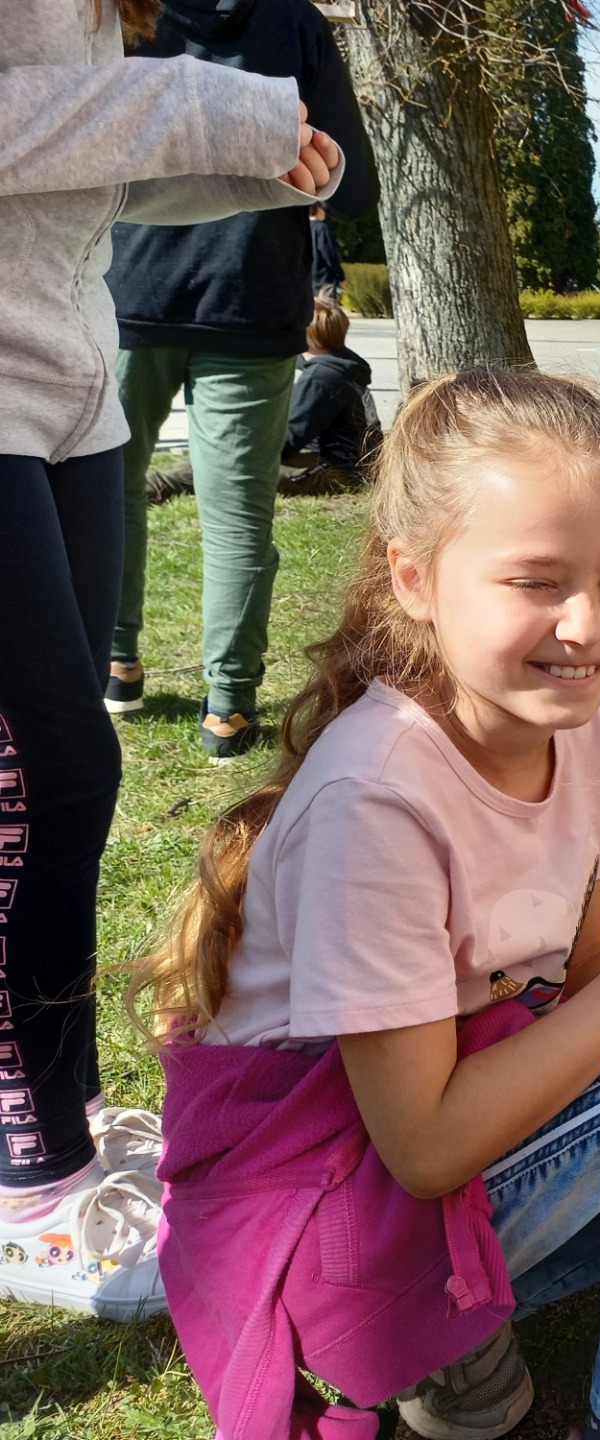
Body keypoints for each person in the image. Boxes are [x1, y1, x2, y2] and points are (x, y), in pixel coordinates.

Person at [135, 370, 600, 1440]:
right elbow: (425, 1146)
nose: (583, 626)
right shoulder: (377, 798)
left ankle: (462, 1333)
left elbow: (574, 980)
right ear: (417, 579)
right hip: (327, 1220)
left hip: (412, 1174)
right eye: (535, 581)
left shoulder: (583, 730)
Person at [0, 0, 342, 1320]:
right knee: (55, 774)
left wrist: (248, 166)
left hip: (69, 379)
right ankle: (30, 1178)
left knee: (50, 786)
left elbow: (78, 153)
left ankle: (59, 1101)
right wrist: (222, 112)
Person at [107, 0, 374, 760]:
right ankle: (229, 706)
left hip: (129, 287)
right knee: (238, 518)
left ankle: (117, 664)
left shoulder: (124, 12)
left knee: (112, 488)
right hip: (251, 295)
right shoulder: (295, 23)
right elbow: (352, 191)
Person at [279, 296, 374, 491]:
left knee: (238, 472)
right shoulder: (345, 365)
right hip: (355, 465)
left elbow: (289, 439)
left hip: (334, 470)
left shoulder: (320, 377)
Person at [308, 201, 344, 298]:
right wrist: (340, 276)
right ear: (319, 209)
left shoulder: (304, 229)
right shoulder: (321, 228)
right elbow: (329, 254)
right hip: (324, 281)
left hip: (308, 281)